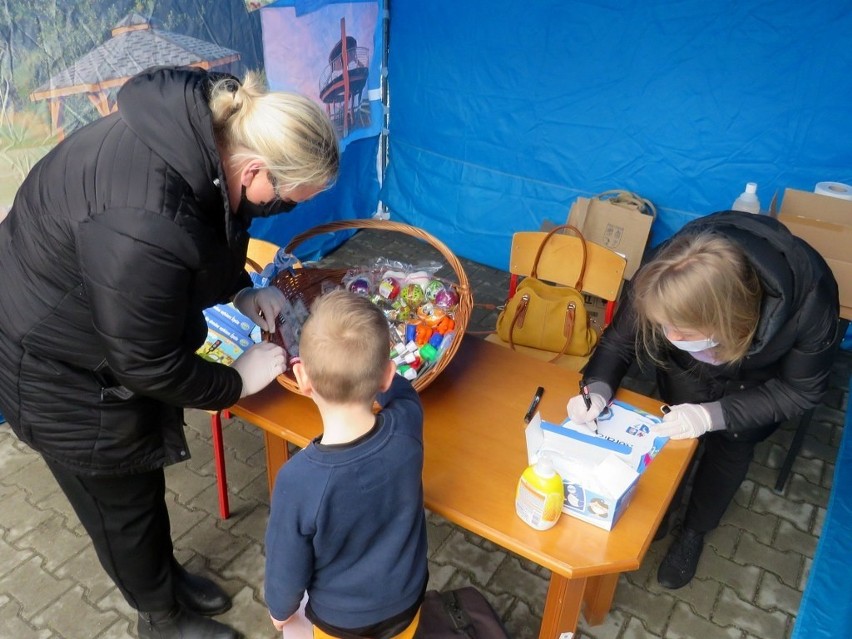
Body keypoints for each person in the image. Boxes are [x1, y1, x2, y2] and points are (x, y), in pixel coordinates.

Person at [0, 65, 339, 638]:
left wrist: (239, 289)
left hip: (101, 335)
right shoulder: (142, 219)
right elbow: (147, 362)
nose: (280, 209)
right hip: (60, 373)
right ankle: (159, 620)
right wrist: (234, 382)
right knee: (120, 508)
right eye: (284, 199)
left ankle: (165, 581)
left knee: (142, 477)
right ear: (255, 167)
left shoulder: (205, 144)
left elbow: (211, 227)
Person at [566, 210, 840, 590]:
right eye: (664, 326)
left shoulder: (812, 300)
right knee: (675, 445)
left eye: (683, 330)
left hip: (758, 387)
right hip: (685, 377)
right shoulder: (665, 273)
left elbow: (802, 389)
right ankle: (664, 510)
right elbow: (618, 341)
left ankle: (695, 531)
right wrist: (595, 390)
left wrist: (715, 415)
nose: (669, 334)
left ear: (731, 322)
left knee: (729, 453)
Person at [265, 290, 428, 639]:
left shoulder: (297, 480)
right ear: (386, 375)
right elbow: (403, 393)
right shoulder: (407, 426)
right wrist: (377, 371)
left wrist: (281, 610)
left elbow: (285, 563)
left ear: (302, 378)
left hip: (341, 623)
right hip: (406, 604)